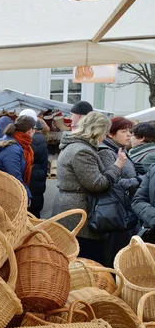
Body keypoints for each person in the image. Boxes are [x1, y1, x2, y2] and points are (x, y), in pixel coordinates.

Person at [52, 111, 125, 264]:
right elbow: (97, 184)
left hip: (72, 209)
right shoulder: (81, 151)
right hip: (79, 214)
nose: (104, 137)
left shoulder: (76, 146)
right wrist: (117, 166)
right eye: (104, 133)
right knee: (86, 260)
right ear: (98, 131)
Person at [98, 116, 141, 267]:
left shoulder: (118, 149)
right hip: (115, 211)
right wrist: (138, 181)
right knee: (114, 253)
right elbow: (111, 182)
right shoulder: (107, 152)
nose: (129, 134)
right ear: (111, 133)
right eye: (124, 131)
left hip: (124, 207)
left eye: (129, 131)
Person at [0, 115, 36, 202]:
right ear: (30, 131)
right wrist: (26, 195)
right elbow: (14, 176)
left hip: (9, 193)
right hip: (7, 195)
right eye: (34, 129)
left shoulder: (18, 144)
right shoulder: (12, 149)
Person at [18, 110, 49, 218]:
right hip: (37, 179)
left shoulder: (33, 140)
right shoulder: (39, 138)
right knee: (34, 213)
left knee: (31, 215)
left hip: (32, 180)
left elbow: (25, 159)